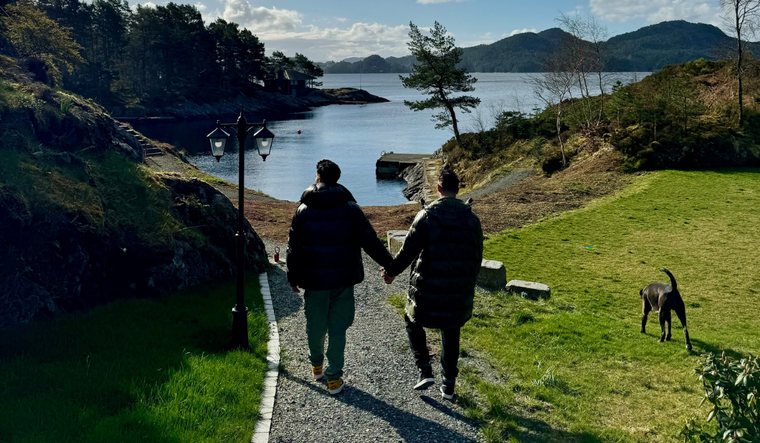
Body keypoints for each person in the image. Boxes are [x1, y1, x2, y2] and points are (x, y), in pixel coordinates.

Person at [287, 159, 392, 395]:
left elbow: (293, 247)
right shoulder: (350, 208)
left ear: (318, 177)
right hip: (343, 279)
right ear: (337, 179)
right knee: (338, 327)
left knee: (315, 324)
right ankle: (334, 378)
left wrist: (292, 277)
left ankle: (316, 366)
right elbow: (370, 241)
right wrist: (390, 266)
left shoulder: (303, 209)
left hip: (314, 281)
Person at [381, 170, 483, 400]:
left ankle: (424, 369)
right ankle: (448, 384)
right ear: (458, 189)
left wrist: (390, 272)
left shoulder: (426, 216)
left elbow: (408, 251)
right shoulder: (472, 219)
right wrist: (469, 282)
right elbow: (477, 256)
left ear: (438, 189)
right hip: (459, 288)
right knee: (451, 329)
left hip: (427, 286)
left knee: (412, 319)